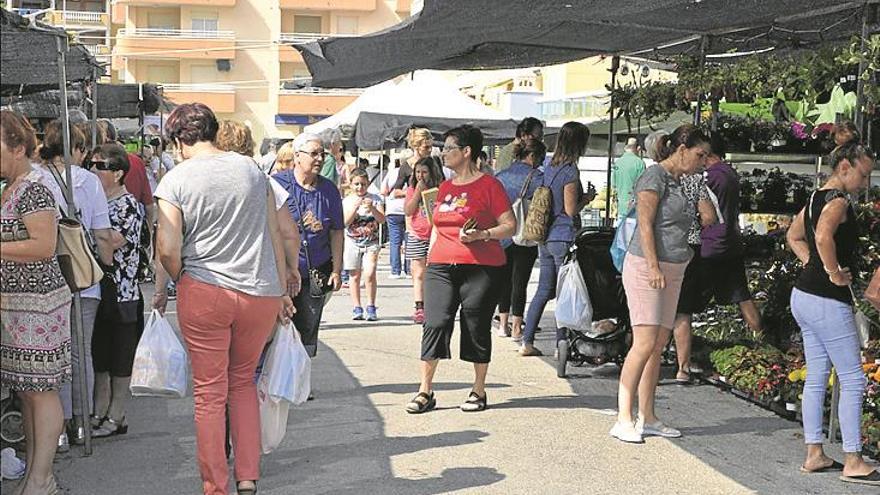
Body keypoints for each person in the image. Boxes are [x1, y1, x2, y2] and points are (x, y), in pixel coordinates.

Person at [152, 103, 291, 495]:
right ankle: (248, 477)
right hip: (259, 292)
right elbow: (272, 234)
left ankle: (216, 485)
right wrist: (279, 289)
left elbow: (167, 247)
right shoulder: (251, 170)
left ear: (180, 139)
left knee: (209, 393)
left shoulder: (176, 179)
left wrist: (179, 279)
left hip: (205, 290)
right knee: (243, 382)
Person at [405, 125, 516, 414]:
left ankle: (479, 389)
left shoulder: (490, 186)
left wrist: (482, 235)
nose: (443, 153)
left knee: (475, 324)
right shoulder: (443, 188)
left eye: (450, 148)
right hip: (441, 264)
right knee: (435, 322)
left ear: (467, 152)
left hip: (482, 266)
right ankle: (425, 391)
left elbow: (510, 225)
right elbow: (434, 223)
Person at [610, 124, 711, 444]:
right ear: (681, 150)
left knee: (657, 344)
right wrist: (653, 265)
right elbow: (644, 223)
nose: (703, 161)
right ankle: (623, 417)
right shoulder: (653, 177)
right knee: (644, 341)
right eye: (700, 154)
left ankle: (648, 416)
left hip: (674, 266)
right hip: (646, 266)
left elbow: (702, 217)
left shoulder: (683, 180)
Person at [786, 143, 879, 487]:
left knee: (816, 375)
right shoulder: (837, 202)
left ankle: (814, 453)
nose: (865, 181)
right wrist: (833, 272)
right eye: (863, 173)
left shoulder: (814, 198)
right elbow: (823, 236)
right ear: (844, 167)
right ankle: (853, 459)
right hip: (826, 299)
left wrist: (812, 265)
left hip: (804, 296)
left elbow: (794, 236)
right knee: (853, 378)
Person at [1, 110, 72, 495]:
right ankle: (34, 473)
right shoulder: (12, 187)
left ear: (16, 146)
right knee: (28, 390)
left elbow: (43, 245)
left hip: (38, 305)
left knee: (41, 390)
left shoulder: (33, 188)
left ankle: (42, 477)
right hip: (17, 305)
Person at [35, 120, 115, 450]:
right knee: (81, 352)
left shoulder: (34, 179)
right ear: (77, 149)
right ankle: (82, 425)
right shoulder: (89, 182)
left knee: (53, 355)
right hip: (82, 278)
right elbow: (102, 234)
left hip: (43, 279)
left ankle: (59, 432)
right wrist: (106, 264)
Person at [87, 144, 145, 439]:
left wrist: (88, 230)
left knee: (120, 360)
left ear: (118, 173)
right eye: (91, 164)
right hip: (97, 288)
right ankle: (99, 411)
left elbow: (111, 241)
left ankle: (117, 413)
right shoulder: (94, 202)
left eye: (100, 166)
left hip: (121, 292)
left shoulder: (129, 205)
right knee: (100, 356)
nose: (93, 170)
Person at [520, 121, 591, 357]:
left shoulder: (549, 166)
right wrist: (588, 198)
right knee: (564, 292)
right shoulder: (570, 171)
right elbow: (570, 209)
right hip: (563, 236)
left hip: (546, 236)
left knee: (543, 289)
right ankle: (562, 344)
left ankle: (527, 340)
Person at [272, 132, 344, 359]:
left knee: (307, 331)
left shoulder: (329, 189)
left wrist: (336, 270)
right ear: (297, 156)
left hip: (315, 272)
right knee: (276, 327)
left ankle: (300, 383)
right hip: (280, 271)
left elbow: (337, 231)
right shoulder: (277, 184)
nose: (320, 159)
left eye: (322, 154)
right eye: (313, 154)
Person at [697, 133, 763, 351]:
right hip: (731, 241)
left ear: (707, 153)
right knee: (742, 295)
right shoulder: (730, 173)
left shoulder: (709, 177)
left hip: (710, 242)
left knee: (686, 301)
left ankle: (680, 352)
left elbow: (702, 210)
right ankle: (759, 340)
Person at [670, 153, 718, 384]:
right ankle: (683, 368)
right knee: (682, 311)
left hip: (659, 248)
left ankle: (646, 364)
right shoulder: (694, 181)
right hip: (688, 248)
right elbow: (709, 216)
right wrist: (693, 224)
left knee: (656, 311)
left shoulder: (654, 176)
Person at [493, 139, 545, 340]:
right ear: (532, 156)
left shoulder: (501, 176)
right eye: (539, 158)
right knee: (520, 281)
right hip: (526, 233)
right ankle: (517, 327)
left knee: (504, 280)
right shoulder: (538, 177)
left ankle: (502, 325)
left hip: (502, 233)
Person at [403, 157, 445, 324]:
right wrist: (417, 193)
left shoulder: (440, 188)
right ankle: (419, 306)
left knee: (434, 272)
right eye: (418, 172)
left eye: (424, 172)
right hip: (417, 235)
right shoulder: (412, 188)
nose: (421, 176)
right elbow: (408, 210)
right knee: (418, 273)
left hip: (436, 234)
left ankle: (433, 304)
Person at [343, 168, 385, 321]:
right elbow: (345, 223)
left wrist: (372, 208)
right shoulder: (347, 200)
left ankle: (371, 305)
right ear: (351, 184)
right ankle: (357, 307)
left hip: (371, 242)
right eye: (356, 184)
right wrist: (355, 208)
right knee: (354, 275)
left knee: (370, 272)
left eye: (363, 184)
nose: (360, 187)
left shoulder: (375, 198)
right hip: (352, 241)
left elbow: (382, 220)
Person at [381, 156, 410, 279]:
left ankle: (395, 270)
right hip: (408, 207)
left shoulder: (391, 173)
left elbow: (383, 190)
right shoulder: (412, 171)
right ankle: (408, 270)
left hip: (393, 209)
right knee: (409, 239)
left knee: (395, 241)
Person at [611, 137, 646, 223]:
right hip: (634, 209)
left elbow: (613, 185)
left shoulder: (618, 163)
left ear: (625, 148)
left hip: (620, 208)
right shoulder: (639, 163)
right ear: (638, 148)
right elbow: (643, 186)